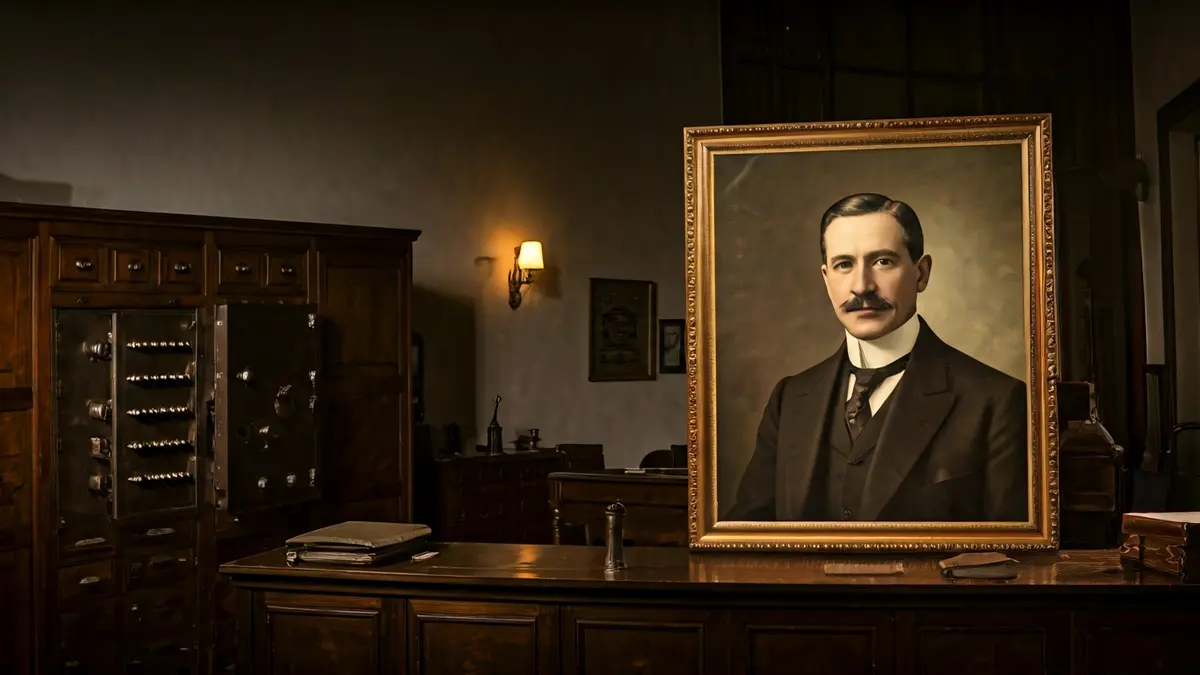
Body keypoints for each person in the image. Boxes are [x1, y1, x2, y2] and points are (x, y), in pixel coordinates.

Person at [725, 193, 1028, 523]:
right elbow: (748, 536)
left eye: (882, 261)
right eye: (844, 265)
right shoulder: (790, 399)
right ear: (826, 279)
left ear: (921, 273)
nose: (861, 286)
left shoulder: (995, 400)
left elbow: (1012, 547)